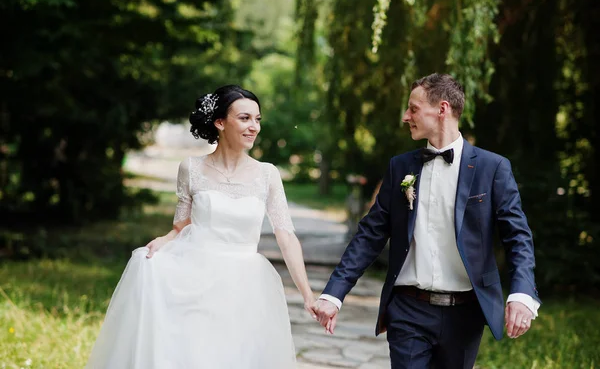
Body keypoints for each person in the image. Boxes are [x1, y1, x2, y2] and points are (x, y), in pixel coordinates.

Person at [313, 73, 540, 368]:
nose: (406, 116)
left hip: (466, 313)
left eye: (414, 108)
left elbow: (517, 235)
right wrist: (334, 294)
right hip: (408, 310)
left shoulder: (492, 167)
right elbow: (370, 235)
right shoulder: (401, 167)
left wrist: (522, 293)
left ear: (442, 109)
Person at [86, 85, 316, 368]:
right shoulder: (191, 169)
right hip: (193, 276)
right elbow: (181, 225)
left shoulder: (267, 174)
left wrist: (307, 295)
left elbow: (286, 235)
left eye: (257, 119)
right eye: (245, 118)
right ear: (220, 122)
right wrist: (164, 240)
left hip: (245, 283)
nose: (254, 127)